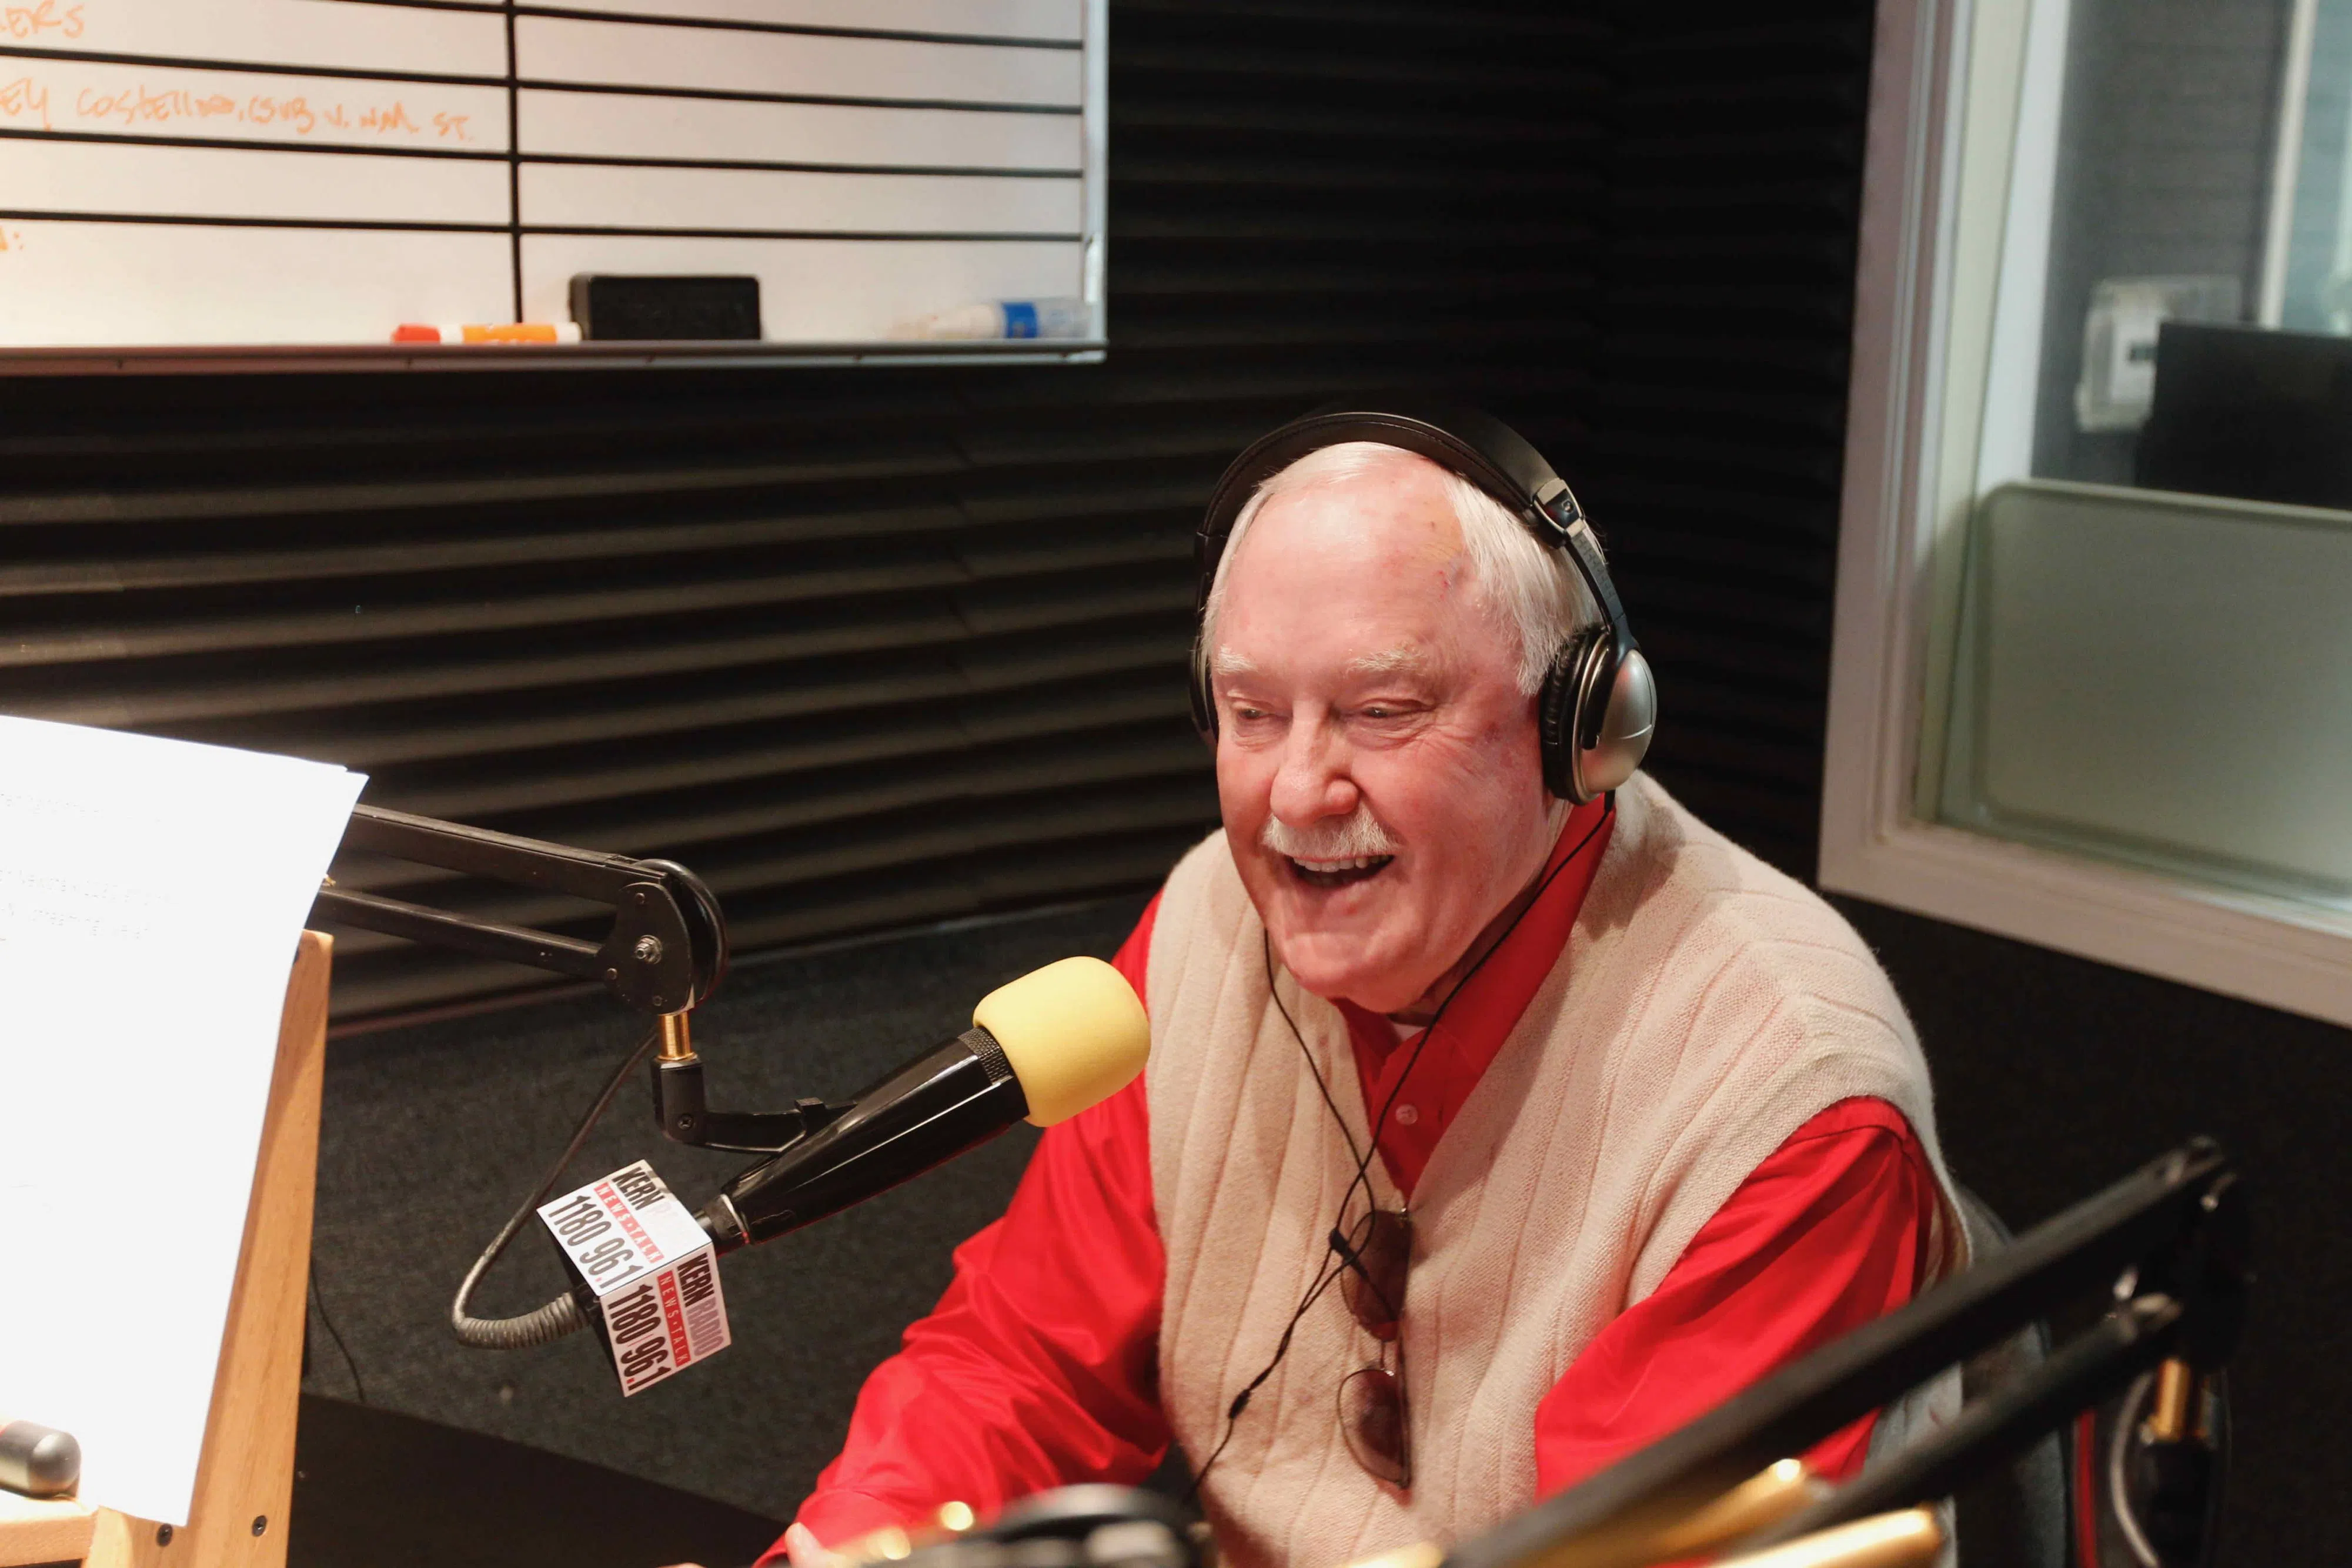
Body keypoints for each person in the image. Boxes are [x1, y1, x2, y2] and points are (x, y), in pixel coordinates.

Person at [773, 409, 1962, 1568]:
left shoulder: (1783, 1099)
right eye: (1251, 713)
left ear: (1578, 727)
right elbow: (1021, 1366)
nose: (1296, 794)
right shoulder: (1205, 925)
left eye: (1382, 713)